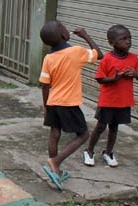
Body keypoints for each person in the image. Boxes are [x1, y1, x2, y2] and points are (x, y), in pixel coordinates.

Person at [39, 20, 102, 191]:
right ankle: (55, 162)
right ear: (64, 35)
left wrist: (46, 107)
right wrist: (85, 35)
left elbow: (45, 85)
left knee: (55, 133)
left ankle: (55, 171)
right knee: (83, 135)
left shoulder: (48, 58)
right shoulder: (76, 51)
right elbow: (99, 54)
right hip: (68, 103)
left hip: (52, 101)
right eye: (65, 28)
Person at [84, 25, 138, 167]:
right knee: (100, 127)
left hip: (123, 101)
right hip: (108, 101)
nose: (128, 41)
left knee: (114, 128)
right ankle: (89, 151)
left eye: (129, 38)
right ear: (112, 43)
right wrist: (114, 79)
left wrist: (136, 74)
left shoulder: (133, 58)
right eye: (123, 39)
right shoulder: (107, 59)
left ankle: (108, 152)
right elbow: (99, 78)